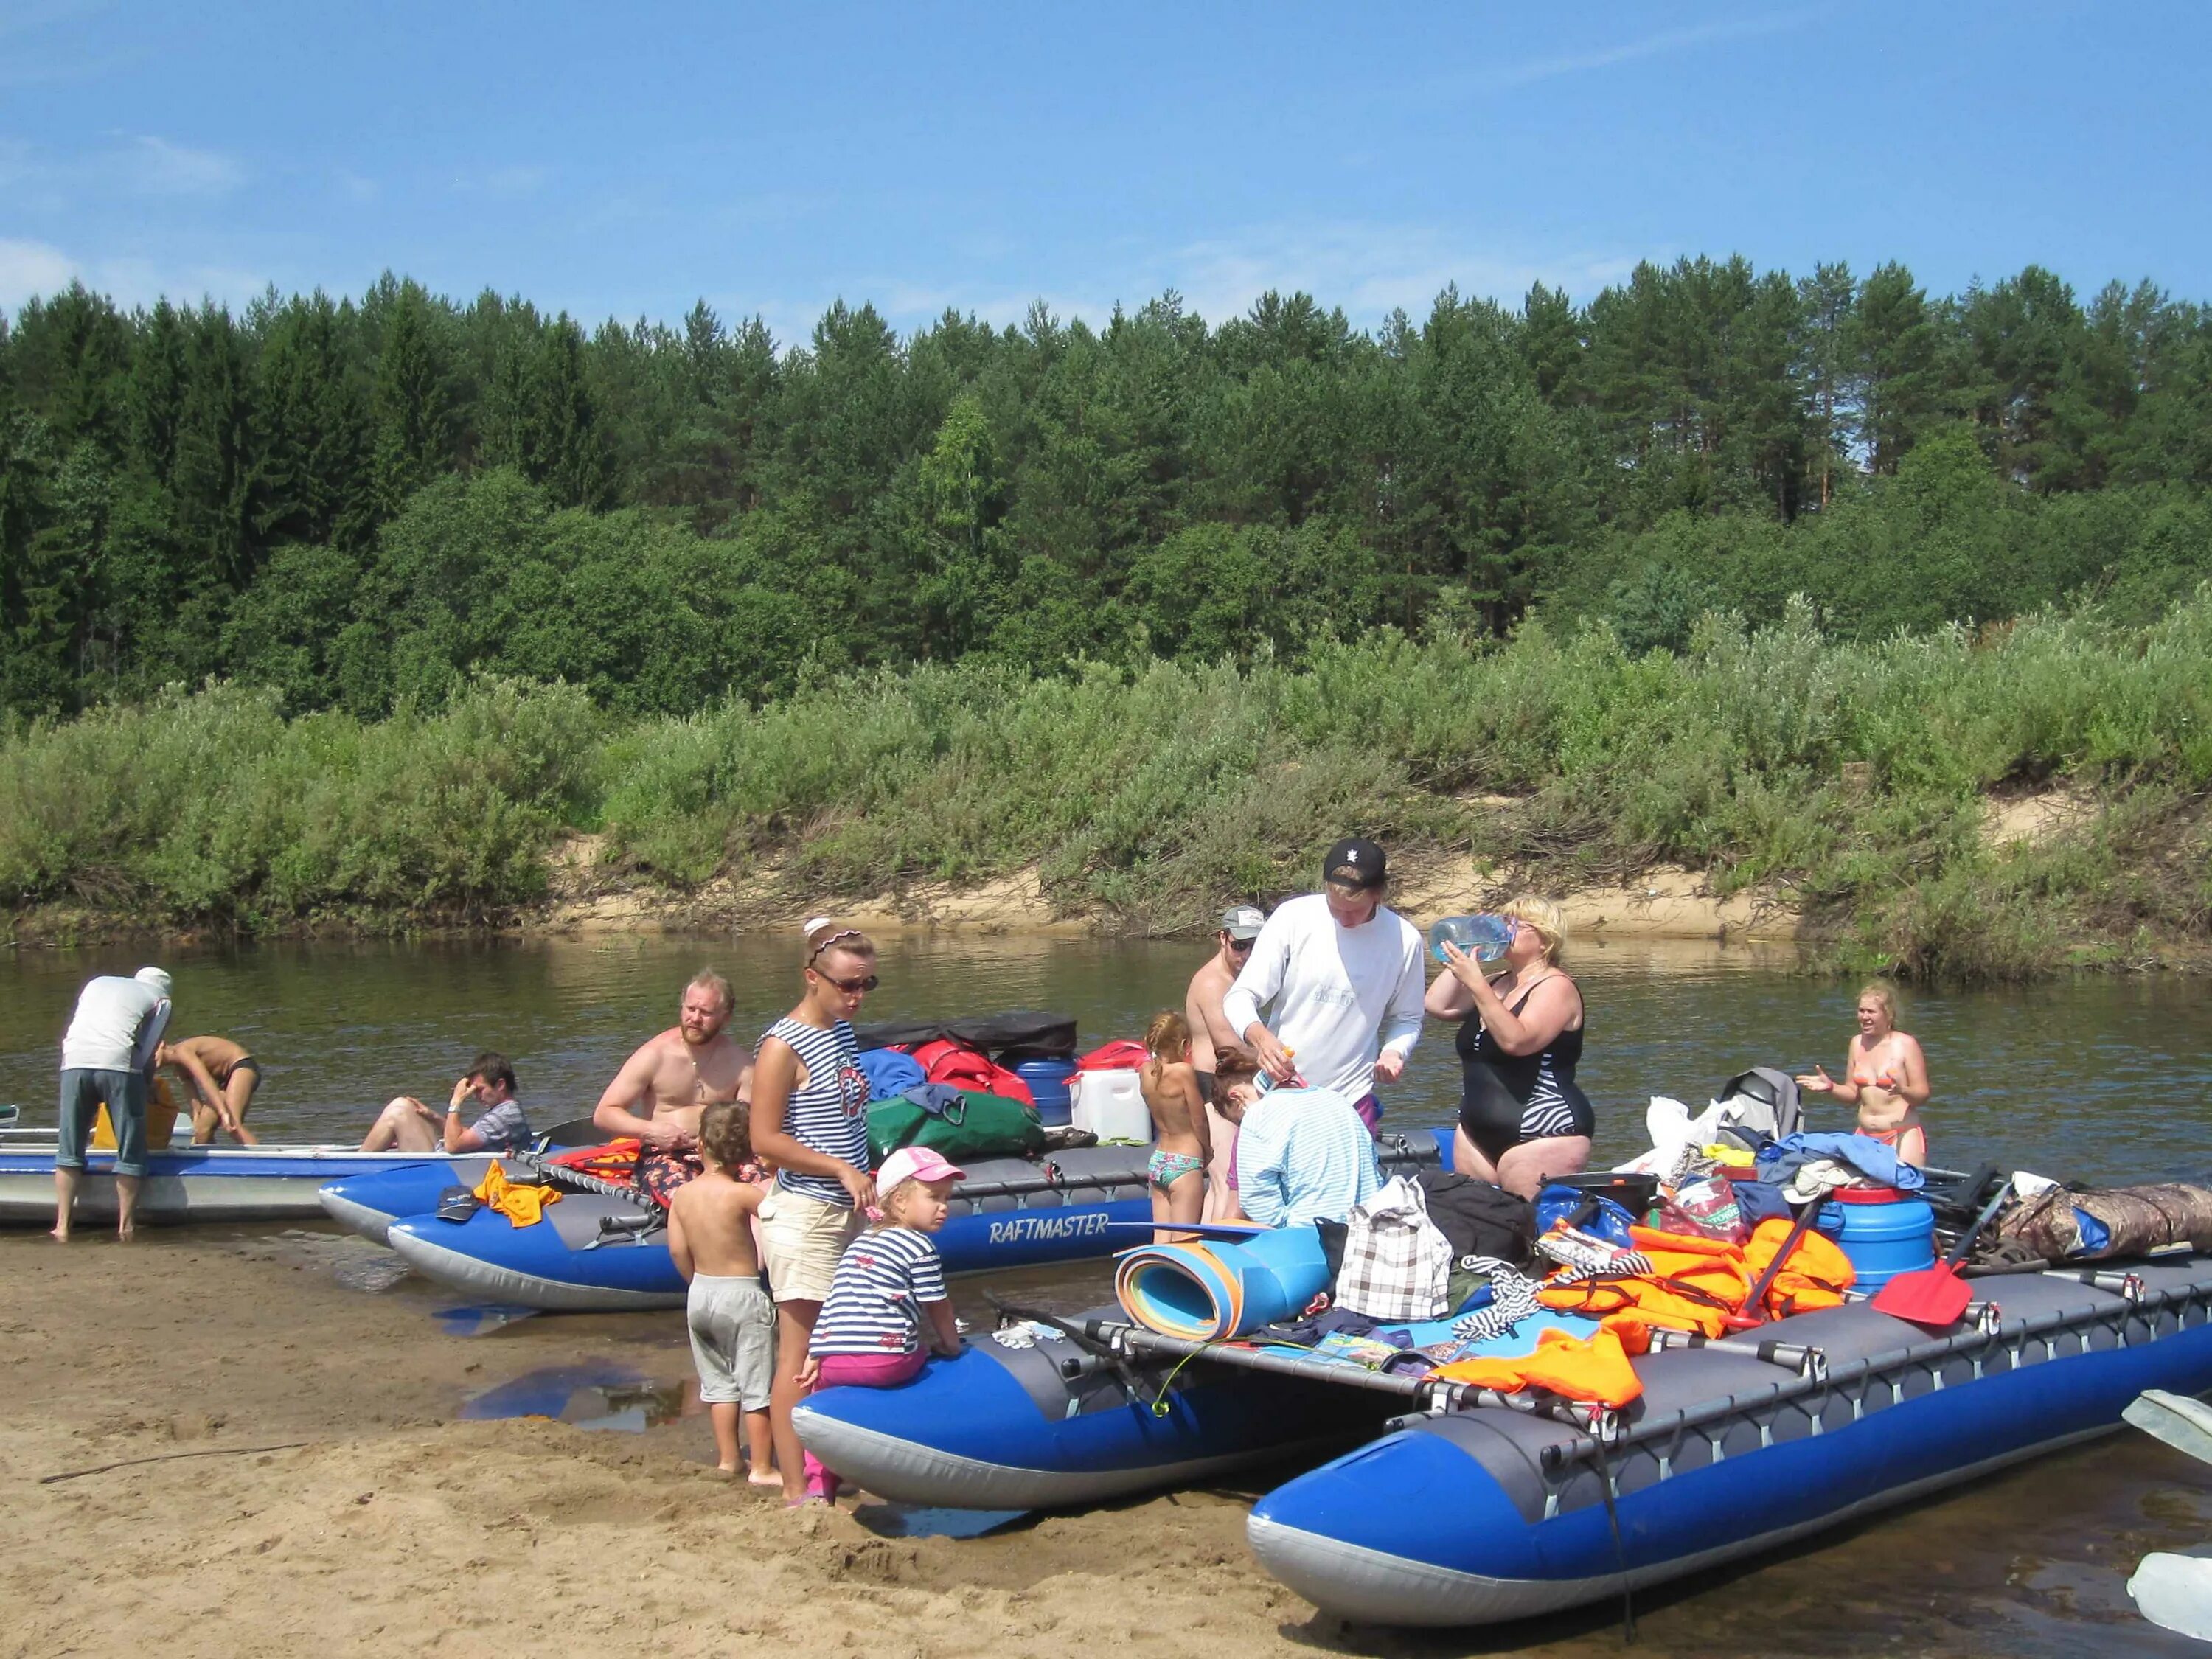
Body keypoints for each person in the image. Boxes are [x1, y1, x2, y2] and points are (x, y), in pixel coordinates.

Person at [750, 918, 879, 1506]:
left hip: (845, 1208)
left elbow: (846, 1119)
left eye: (867, 986)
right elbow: (764, 1139)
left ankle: (830, 1467)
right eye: (847, 986)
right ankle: (797, 1489)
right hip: (804, 1213)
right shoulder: (783, 1044)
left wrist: (867, 1169)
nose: (856, 997)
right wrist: (839, 1169)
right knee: (797, 1355)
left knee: (839, 1346)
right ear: (812, 978)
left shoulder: (844, 1034)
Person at [1220, 838, 1425, 1134]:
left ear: (1378, 895)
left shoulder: (1405, 940)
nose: (1343, 919)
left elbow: (1408, 1018)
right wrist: (1261, 1038)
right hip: (1280, 1092)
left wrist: (1395, 1051)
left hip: (1350, 1099)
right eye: (1335, 907)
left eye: (1353, 911)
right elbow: (1240, 996)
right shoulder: (1293, 916)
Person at [799, 1144, 963, 1506]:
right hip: (886, 1361)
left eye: (947, 1198)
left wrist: (815, 1354)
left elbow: (837, 1300)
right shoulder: (919, 1247)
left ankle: (818, 1486)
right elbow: (938, 1305)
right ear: (900, 1202)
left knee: (820, 1399)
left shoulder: (860, 1244)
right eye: (934, 1197)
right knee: (922, 1356)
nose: (944, 1207)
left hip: (834, 1360)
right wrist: (951, 1346)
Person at [1427, 894, 1593, 1199]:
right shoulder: (1496, 982)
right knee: (1480, 1230)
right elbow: (1438, 1005)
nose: (1506, 929)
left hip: (1540, 1134)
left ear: (1545, 940)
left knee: (1531, 1233)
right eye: (1504, 922)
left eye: (1517, 924)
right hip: (1475, 1134)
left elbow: (1516, 1041)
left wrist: (1476, 984)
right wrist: (1465, 952)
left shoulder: (1556, 987)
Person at [667, 1100, 777, 1488]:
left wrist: (694, 1282)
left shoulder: (682, 1196)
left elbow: (678, 1249)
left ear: (699, 1144)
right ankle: (762, 1466)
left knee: (719, 1385)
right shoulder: (745, 1196)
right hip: (741, 1295)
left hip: (700, 1293)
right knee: (757, 1385)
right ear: (747, 1152)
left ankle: (729, 1459)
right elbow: (782, 1228)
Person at [592, 970, 754, 1202]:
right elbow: (604, 1113)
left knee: (762, 1188)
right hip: (665, 1155)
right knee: (688, 1199)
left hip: (723, 1156)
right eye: (690, 1009)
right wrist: (651, 1131)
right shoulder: (654, 1055)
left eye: (706, 1012)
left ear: (725, 1018)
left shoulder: (742, 1065)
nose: (695, 1019)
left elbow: (751, 1125)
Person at [53, 966, 173, 1242]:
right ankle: (126, 1226)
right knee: (130, 1149)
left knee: (70, 1146)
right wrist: (146, 1086)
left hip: (74, 1060)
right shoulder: (162, 1000)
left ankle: (62, 1225)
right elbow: (148, 1049)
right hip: (117, 1064)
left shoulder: (98, 983)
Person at [1214, 1043, 1382, 1228]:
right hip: (1366, 1228)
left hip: (1310, 1235)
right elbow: (1371, 1165)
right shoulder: (1337, 1100)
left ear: (1237, 1098)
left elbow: (1256, 1199)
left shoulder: (1259, 1114)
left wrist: (1283, 1225)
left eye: (1238, 1120)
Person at [1796, 980, 1931, 1166]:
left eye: (1871, 1012)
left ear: (1888, 1014)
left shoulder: (1906, 1044)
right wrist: (1831, 1087)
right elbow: (1853, 1095)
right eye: (1861, 1011)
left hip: (1902, 1135)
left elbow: (1922, 1095)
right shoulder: (1856, 1043)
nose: (1865, 1017)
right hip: (1864, 1136)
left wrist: (1903, 1090)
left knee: (1904, 1190)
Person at [1188, 905, 1262, 1222]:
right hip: (1215, 1089)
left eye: (1256, 946)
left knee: (1220, 1183)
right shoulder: (1213, 983)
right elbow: (1229, 1047)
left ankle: (1201, 1249)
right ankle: (1217, 1257)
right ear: (1223, 938)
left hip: (1233, 1085)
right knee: (1224, 1179)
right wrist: (1285, 1056)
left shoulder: (1244, 979)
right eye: (1240, 945)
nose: (1246, 954)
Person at [358, 1053, 535, 1153]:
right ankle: (363, 1159)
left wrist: (456, 1101)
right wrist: (432, 1116)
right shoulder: (505, 1112)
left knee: (399, 1109)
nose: (476, 1096)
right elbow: (469, 1135)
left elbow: (453, 1145)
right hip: (443, 1160)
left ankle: (353, 1168)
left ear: (501, 1085)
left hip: (442, 1168)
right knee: (409, 1107)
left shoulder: (506, 1115)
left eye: (479, 1089)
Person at [1138, 1011, 1209, 1239]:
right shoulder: (1183, 1072)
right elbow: (1198, 1119)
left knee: (1161, 1239)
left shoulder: (1145, 1071)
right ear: (1183, 1043)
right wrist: (1208, 1150)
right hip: (1185, 1161)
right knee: (1185, 1241)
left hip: (1159, 1160)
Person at [154, 1035, 261, 1145]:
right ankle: (209, 1159)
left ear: (161, 1044)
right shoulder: (180, 1069)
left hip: (241, 1067)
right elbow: (196, 1107)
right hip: (224, 1081)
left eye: (153, 1054)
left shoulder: (183, 1051)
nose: (151, 1059)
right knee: (202, 1130)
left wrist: (223, 1112)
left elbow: (206, 1081)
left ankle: (261, 1159)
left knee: (232, 1125)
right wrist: (196, 1125)